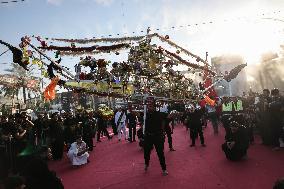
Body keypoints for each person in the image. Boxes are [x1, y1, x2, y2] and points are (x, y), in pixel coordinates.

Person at [143, 98, 168, 176]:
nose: (149, 107)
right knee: (146, 153)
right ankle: (146, 164)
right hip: (148, 136)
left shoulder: (160, 114)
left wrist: (175, 113)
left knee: (160, 153)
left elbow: (168, 117)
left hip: (158, 136)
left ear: (154, 107)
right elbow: (133, 113)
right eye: (148, 106)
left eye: (151, 106)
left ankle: (164, 169)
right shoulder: (144, 114)